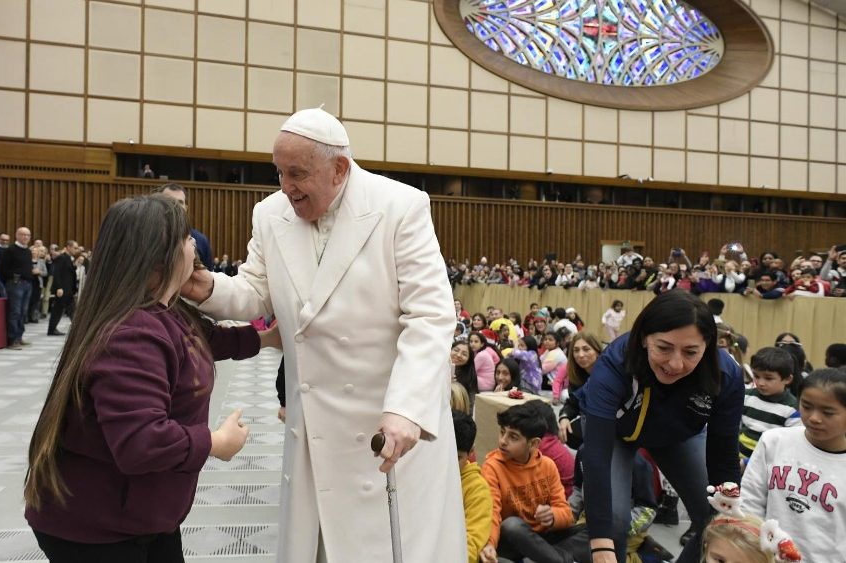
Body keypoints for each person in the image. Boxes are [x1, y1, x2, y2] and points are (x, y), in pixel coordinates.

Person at [179, 108, 466, 562]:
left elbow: (430, 316)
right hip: (314, 431)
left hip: (387, 428)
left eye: (297, 173)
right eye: (279, 172)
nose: (286, 186)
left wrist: (408, 408)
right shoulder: (270, 213)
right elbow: (256, 292)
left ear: (339, 169)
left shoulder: (401, 207)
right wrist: (207, 287)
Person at [23, 195, 253, 562]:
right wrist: (215, 441)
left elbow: (205, 338)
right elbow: (142, 442)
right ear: (159, 258)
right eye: (185, 238)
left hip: (140, 513)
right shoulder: (132, 333)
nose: (194, 244)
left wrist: (268, 334)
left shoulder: (163, 312)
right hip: (98, 527)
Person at [576, 290, 744, 563]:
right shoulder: (616, 363)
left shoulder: (726, 374)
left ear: (709, 345)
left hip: (676, 435)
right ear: (644, 338)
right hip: (615, 433)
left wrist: (730, 505)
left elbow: (723, 452)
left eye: (691, 351)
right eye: (663, 348)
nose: (675, 364)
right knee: (614, 522)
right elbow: (596, 457)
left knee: (716, 518)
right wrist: (601, 545)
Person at [740, 368, 846, 562]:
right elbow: (751, 500)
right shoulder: (773, 441)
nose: (814, 417)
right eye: (806, 406)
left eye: (828, 412)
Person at [480, 404, 590, 563]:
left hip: (544, 538)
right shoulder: (492, 467)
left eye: (513, 437)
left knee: (595, 532)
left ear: (533, 444)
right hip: (513, 541)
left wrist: (552, 516)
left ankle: (541, 558)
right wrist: (490, 544)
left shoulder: (547, 465)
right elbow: (493, 514)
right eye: (502, 432)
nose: (503, 441)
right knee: (511, 525)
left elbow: (566, 513)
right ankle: (554, 559)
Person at [738, 347, 801, 461]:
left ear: (787, 379)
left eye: (768, 378)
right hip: (737, 458)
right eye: (756, 376)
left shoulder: (792, 409)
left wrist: (748, 463)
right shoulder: (746, 396)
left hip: (767, 464)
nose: (761, 383)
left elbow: (788, 447)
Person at [453, 411, 493, 563]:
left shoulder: (477, 489)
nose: (448, 463)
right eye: (444, 454)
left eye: (457, 457)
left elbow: (473, 542)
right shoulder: (425, 473)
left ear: (471, 452)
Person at [154, 183, 214, 270]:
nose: (175, 206)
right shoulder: (146, 237)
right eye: (169, 201)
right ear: (157, 205)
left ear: (186, 208)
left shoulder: (201, 240)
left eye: (180, 202)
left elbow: (209, 276)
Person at [0, 226, 37, 349]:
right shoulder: (10, 250)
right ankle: (12, 340)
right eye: (23, 234)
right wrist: (15, 276)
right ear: (17, 235)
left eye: (28, 235)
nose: (26, 237)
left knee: (23, 312)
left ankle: (19, 337)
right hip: (16, 284)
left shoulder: (27, 251)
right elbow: (3, 270)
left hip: (27, 284)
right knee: (15, 312)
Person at [47, 240, 80, 336]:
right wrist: (59, 288)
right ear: (68, 247)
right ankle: (52, 329)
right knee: (60, 309)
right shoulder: (61, 258)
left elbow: (68, 272)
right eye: (75, 248)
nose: (76, 250)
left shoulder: (68, 258)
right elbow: (57, 273)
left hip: (68, 289)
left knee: (70, 309)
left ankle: (76, 328)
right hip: (63, 289)